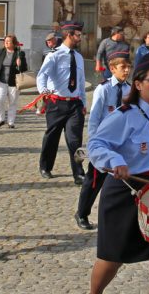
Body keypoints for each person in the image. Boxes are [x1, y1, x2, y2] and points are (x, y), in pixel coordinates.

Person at [86, 52, 149, 294]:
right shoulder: (124, 116)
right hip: (125, 193)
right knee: (112, 258)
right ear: (138, 84)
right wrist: (115, 161)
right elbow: (96, 144)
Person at [75, 50, 132, 230]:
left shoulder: (130, 90)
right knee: (93, 181)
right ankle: (82, 213)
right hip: (103, 142)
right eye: (123, 67)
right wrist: (94, 143)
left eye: (129, 67)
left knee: (122, 182)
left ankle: (119, 216)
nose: (127, 71)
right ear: (112, 68)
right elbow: (95, 117)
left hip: (121, 143)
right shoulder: (103, 89)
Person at [37, 21, 88, 184]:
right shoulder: (54, 55)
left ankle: (79, 173)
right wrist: (43, 91)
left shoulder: (78, 57)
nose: (80, 38)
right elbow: (41, 75)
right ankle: (45, 166)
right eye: (78, 35)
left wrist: (83, 102)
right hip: (56, 103)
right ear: (68, 35)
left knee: (75, 140)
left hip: (75, 104)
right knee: (52, 137)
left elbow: (80, 82)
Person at [0, 34, 27, 128]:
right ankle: (0, 120)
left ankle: (11, 122)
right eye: (5, 41)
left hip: (14, 82)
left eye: (9, 41)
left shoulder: (19, 53)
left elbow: (24, 68)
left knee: (13, 102)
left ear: (14, 43)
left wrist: (20, 63)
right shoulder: (1, 51)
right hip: (1, 80)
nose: (6, 43)